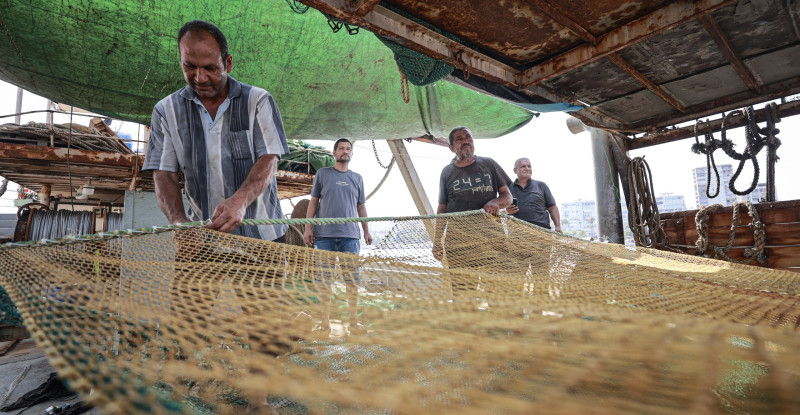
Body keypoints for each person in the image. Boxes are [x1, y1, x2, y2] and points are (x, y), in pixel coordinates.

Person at [143, 20, 289, 242]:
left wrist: (240, 201)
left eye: (210, 68)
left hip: (263, 237)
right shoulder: (166, 110)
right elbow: (164, 174)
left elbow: (269, 159)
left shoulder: (258, 101)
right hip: (202, 239)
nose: (200, 78)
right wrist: (179, 221)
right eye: (190, 66)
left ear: (228, 63)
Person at [303, 138, 372, 333]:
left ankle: (353, 322)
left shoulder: (357, 178)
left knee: (352, 281)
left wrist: (366, 230)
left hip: (350, 236)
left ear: (352, 153)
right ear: (334, 153)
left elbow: (361, 206)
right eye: (341, 148)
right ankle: (324, 323)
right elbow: (313, 202)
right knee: (324, 281)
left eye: (348, 149)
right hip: (324, 236)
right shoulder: (322, 174)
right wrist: (308, 228)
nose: (345, 151)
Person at [434, 126, 512, 269]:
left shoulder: (489, 163)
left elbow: (507, 196)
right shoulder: (446, 172)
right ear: (451, 148)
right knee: (463, 284)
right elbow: (442, 209)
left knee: (495, 282)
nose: (465, 141)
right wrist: (437, 241)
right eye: (459, 139)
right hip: (458, 244)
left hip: (492, 240)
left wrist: (495, 203)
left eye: (468, 137)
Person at [506, 157, 562, 232]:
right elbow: (501, 210)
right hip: (518, 232)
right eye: (523, 166)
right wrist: (506, 210)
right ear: (515, 170)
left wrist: (558, 226)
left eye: (529, 166)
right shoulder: (508, 189)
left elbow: (552, 208)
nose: (527, 168)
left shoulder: (541, 185)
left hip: (542, 232)